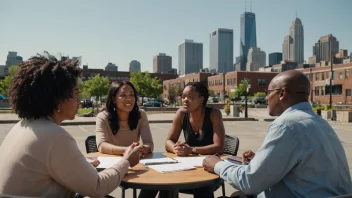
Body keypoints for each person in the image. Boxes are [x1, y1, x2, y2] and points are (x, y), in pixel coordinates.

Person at [0, 53, 141, 198]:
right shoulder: (54, 136)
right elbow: (98, 187)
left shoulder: (23, 126)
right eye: (75, 93)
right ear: (57, 99)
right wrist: (126, 161)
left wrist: (78, 164)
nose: (79, 101)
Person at [203, 70, 352, 198]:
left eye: (269, 92)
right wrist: (265, 161)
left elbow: (249, 182)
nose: (267, 98)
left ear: (282, 93)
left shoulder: (287, 124)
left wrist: (218, 165)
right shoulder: (318, 121)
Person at [139, 82, 225, 198]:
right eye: (183, 96)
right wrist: (176, 148)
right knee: (156, 181)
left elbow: (218, 147)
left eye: (190, 97)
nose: (185, 100)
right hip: (188, 166)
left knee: (201, 187)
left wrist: (192, 150)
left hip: (210, 169)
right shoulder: (181, 114)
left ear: (201, 99)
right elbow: (168, 141)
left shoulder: (214, 114)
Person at [95, 81, 154, 156]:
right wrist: (126, 150)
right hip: (111, 162)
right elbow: (101, 146)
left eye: (132, 95)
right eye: (123, 95)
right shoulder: (102, 117)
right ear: (114, 99)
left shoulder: (141, 115)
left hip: (134, 162)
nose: (129, 98)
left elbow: (149, 143)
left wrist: (145, 148)